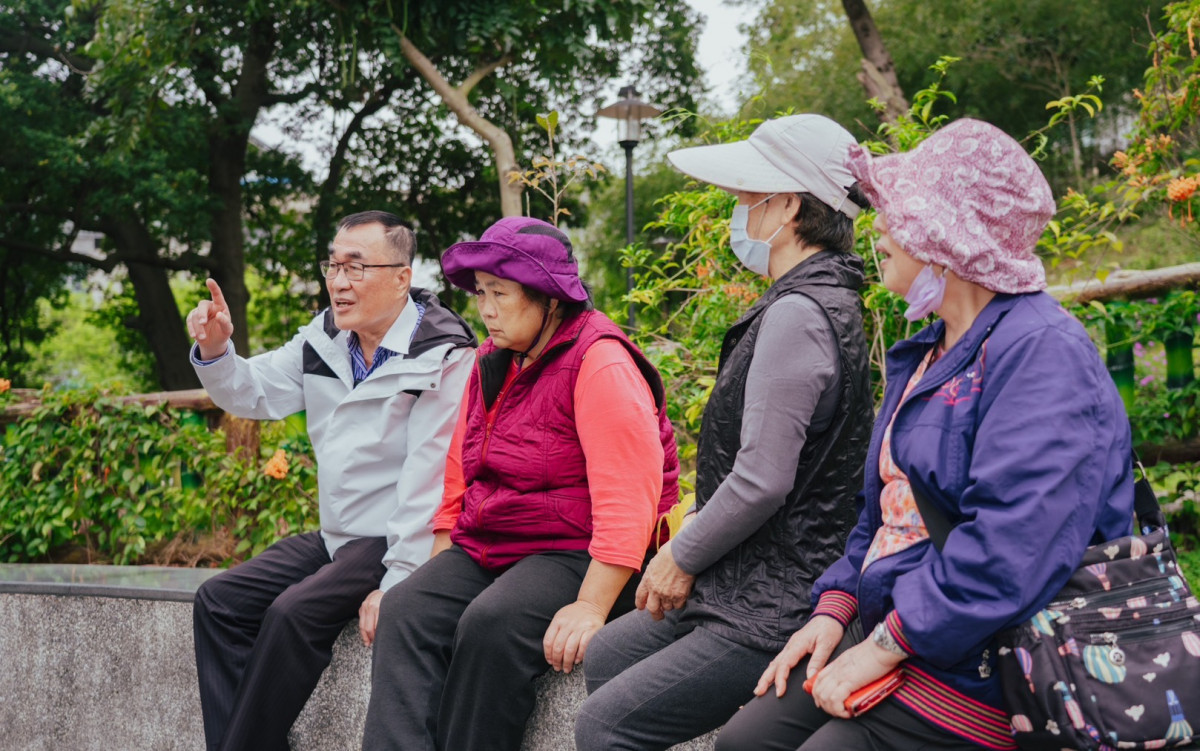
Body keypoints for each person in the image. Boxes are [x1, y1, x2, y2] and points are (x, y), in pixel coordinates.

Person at [715, 118, 1136, 751]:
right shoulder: (932, 350)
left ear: (947, 237)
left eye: (900, 215)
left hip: (990, 656)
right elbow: (884, 512)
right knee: (746, 741)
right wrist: (835, 611)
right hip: (912, 618)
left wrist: (886, 647)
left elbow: (1011, 550)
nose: (879, 227)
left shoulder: (1041, 353)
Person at [574, 113, 875, 750]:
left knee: (606, 724)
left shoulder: (800, 313)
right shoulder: (823, 297)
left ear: (789, 206)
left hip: (778, 599)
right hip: (746, 577)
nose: (737, 215)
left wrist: (678, 556)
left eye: (746, 200)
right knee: (607, 656)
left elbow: (762, 480)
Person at [359, 216, 681, 751]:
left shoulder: (599, 360)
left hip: (583, 550)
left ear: (549, 299)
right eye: (481, 293)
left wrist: (591, 608)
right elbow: (461, 470)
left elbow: (632, 498)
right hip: (497, 542)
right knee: (407, 608)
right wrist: (441, 563)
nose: (485, 309)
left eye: (501, 294)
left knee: (492, 624)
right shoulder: (491, 359)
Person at [187, 210, 477, 751]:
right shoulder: (325, 338)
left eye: (356, 267)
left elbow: (430, 480)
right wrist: (215, 350)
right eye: (333, 266)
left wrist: (400, 583)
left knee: (290, 615)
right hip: (336, 535)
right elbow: (253, 393)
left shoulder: (442, 353)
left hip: (389, 539)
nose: (339, 283)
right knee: (218, 602)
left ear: (401, 276)